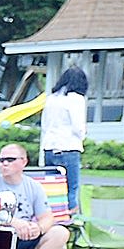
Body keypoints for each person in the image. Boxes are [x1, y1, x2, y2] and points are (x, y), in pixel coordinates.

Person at [37, 66, 89, 215]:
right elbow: (78, 127)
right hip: (68, 147)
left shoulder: (51, 98)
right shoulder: (77, 99)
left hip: (50, 147)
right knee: (71, 189)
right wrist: (83, 136)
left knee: (52, 189)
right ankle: (71, 221)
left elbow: (45, 125)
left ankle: (51, 217)